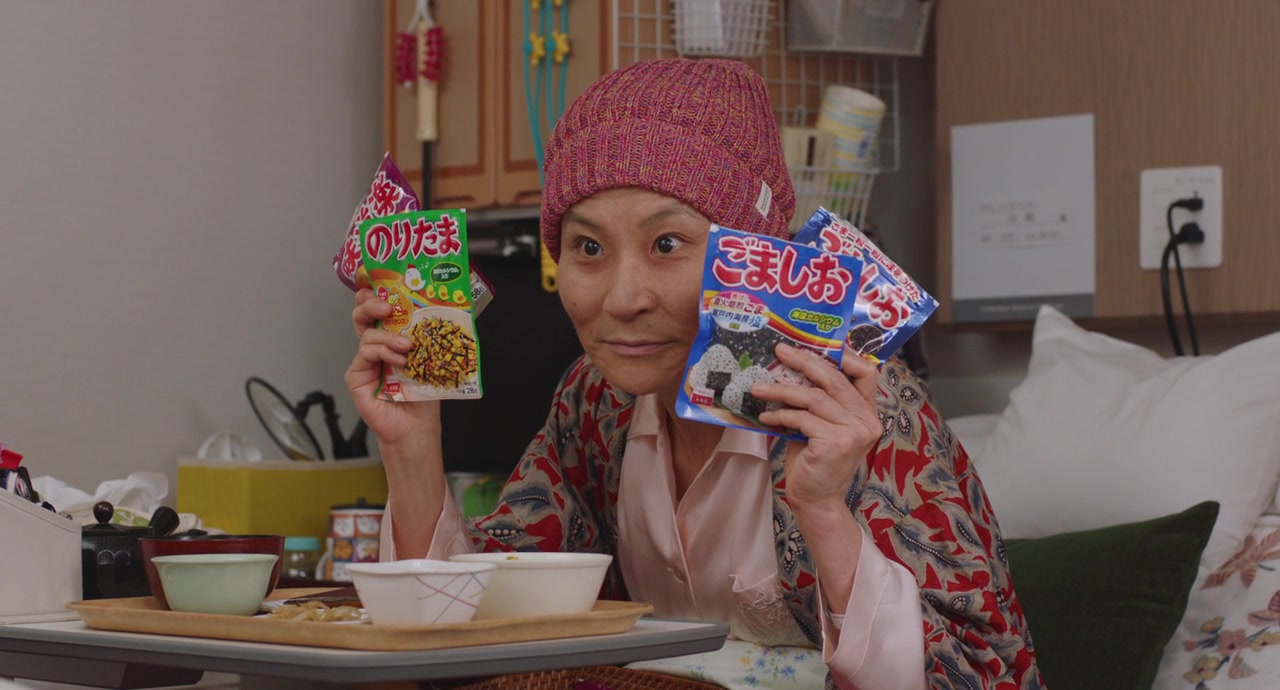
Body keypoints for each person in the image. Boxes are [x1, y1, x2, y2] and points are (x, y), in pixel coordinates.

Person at [346, 58, 1043, 689]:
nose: (624, 298)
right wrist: (412, 445)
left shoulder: (861, 407)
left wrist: (825, 512)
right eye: (587, 247)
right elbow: (480, 628)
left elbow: (977, 674)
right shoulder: (596, 401)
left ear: (755, 258)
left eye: (667, 243)